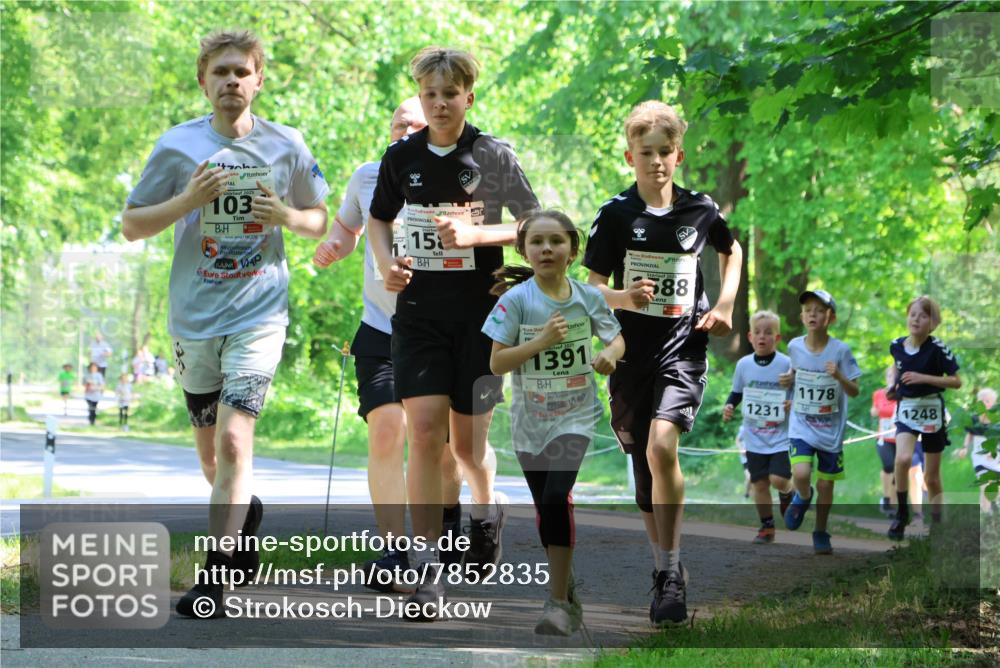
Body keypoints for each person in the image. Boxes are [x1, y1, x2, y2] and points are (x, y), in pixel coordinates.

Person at [121, 30, 329, 618]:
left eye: (242, 72)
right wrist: (187, 202)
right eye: (221, 73)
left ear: (259, 80)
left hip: (259, 314)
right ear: (203, 82)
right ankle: (246, 512)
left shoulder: (286, 145)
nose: (231, 82)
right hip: (194, 316)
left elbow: (320, 220)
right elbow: (132, 225)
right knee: (213, 454)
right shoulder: (178, 146)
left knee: (237, 438)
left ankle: (214, 576)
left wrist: (286, 214)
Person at [367, 46, 539, 620]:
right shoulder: (401, 157)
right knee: (423, 435)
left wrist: (474, 238)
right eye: (429, 95)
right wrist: (385, 263)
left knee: (465, 448)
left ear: (469, 96)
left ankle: (486, 509)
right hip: (417, 315)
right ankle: (428, 570)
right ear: (420, 97)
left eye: (449, 94)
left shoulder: (493, 155)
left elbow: (531, 227)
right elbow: (377, 218)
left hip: (482, 320)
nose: (439, 104)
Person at [583, 100, 743, 625]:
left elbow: (731, 249)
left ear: (679, 156)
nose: (655, 161)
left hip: (682, 351)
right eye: (645, 152)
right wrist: (625, 299)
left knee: (662, 445)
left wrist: (723, 306)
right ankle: (663, 568)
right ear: (630, 156)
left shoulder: (700, 209)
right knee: (644, 477)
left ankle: (671, 573)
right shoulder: (614, 215)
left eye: (664, 152)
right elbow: (593, 293)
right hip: (630, 358)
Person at [312, 97, 465, 589]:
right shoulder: (368, 175)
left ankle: (448, 524)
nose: (405, 131)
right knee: (385, 431)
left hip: (438, 330)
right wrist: (336, 244)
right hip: (380, 326)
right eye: (399, 123)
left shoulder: (452, 174)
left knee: (439, 449)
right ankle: (394, 550)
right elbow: (349, 225)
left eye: (415, 125)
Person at [483, 210, 624, 636]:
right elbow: (496, 362)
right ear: (523, 250)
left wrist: (610, 355)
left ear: (572, 250)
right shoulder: (516, 301)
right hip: (531, 422)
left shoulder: (588, 297)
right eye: (537, 242)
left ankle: (557, 601)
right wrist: (541, 340)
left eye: (556, 241)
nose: (546, 249)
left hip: (576, 416)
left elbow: (616, 336)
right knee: (547, 504)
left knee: (558, 494)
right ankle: (566, 585)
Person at [780, 289, 861, 555]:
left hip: (830, 429)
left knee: (826, 484)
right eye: (808, 310)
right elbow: (795, 376)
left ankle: (821, 531)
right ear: (802, 316)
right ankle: (803, 496)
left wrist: (838, 376)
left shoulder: (841, 351)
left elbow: (855, 390)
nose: (813, 314)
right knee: (801, 474)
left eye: (819, 310)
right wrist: (788, 383)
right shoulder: (794, 346)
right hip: (801, 424)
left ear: (831, 317)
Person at [886, 296, 961, 540]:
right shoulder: (896, 344)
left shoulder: (938, 349)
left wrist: (923, 378)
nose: (916, 319)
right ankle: (902, 513)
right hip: (907, 410)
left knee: (931, 477)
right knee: (903, 459)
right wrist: (892, 384)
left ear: (934, 323)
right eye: (913, 314)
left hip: (932, 413)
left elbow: (956, 381)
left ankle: (939, 523)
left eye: (924, 315)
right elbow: (895, 366)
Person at [722, 310, 794, 544]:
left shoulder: (786, 363)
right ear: (750, 337)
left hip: (780, 435)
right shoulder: (744, 365)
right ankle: (767, 527)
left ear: (778, 338)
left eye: (769, 333)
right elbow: (737, 392)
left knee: (778, 479)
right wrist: (729, 406)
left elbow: (797, 393)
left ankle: (787, 493)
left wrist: (790, 401)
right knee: (759, 484)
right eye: (758, 333)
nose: (763, 337)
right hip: (754, 436)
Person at [957, 388, 999, 513]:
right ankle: (985, 515)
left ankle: (995, 502)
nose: (984, 403)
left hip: (996, 459)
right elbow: (970, 434)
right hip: (979, 459)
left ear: (994, 404)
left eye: (988, 401)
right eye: (982, 401)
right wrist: (965, 447)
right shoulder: (974, 420)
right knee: (984, 485)